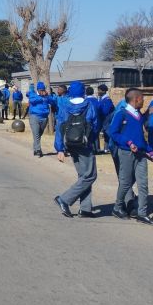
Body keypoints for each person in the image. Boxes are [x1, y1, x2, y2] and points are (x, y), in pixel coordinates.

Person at [108, 87, 153, 226]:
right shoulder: (122, 114)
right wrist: (128, 142)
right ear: (136, 99)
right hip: (125, 152)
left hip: (141, 154)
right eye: (142, 98)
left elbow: (141, 139)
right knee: (125, 183)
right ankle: (117, 207)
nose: (143, 101)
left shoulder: (139, 116)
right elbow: (113, 133)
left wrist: (151, 152)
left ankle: (142, 213)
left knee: (143, 184)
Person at [53, 81, 99, 218]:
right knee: (90, 175)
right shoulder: (89, 105)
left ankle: (85, 208)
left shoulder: (64, 105)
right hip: (85, 144)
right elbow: (95, 125)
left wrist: (60, 148)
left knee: (83, 176)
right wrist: (90, 141)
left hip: (70, 144)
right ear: (83, 91)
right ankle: (64, 199)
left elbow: (60, 127)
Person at [26, 82, 50, 158]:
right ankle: (38, 150)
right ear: (37, 90)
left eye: (43, 89)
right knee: (36, 134)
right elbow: (32, 100)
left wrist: (47, 96)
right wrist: (41, 97)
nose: (41, 91)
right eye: (40, 90)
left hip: (44, 117)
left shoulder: (46, 96)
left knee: (39, 134)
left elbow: (52, 100)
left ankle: (35, 149)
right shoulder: (33, 94)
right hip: (34, 117)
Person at [96, 84, 115, 152]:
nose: (98, 91)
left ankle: (110, 147)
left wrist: (99, 113)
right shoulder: (101, 99)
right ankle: (106, 148)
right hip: (104, 120)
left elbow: (105, 111)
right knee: (106, 134)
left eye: (99, 90)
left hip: (107, 119)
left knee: (108, 134)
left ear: (103, 91)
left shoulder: (107, 100)